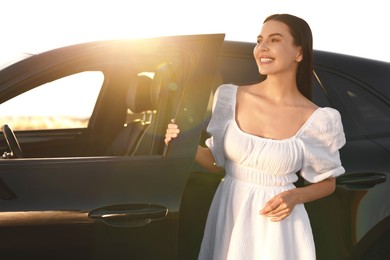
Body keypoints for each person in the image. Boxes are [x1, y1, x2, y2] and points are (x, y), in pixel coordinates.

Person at [165, 13, 345, 260]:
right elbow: (218, 164)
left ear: (299, 53)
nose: (262, 48)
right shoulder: (229, 97)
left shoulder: (318, 120)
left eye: (274, 40)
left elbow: (328, 183)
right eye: (259, 40)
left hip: (278, 227)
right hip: (230, 214)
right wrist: (183, 144)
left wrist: (295, 195)